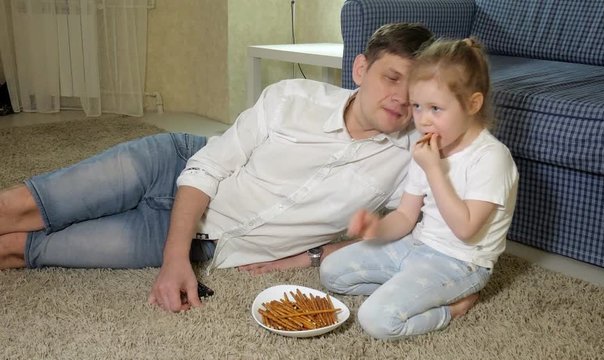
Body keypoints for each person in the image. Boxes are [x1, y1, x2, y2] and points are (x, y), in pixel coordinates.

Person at [0, 23, 435, 313]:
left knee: (23, 249)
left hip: (209, 244)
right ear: (361, 69)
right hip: (169, 163)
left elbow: (424, 241)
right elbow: (207, 167)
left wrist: (313, 255)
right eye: (391, 77)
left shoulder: (412, 160)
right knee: (20, 207)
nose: (400, 97)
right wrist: (173, 261)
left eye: (415, 89)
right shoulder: (292, 97)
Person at [319, 38, 519, 340]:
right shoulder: (428, 145)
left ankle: (452, 308)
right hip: (415, 245)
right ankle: (407, 289)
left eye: (436, 108)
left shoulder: (491, 158)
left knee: (377, 320)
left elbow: (466, 229)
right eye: (417, 106)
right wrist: (376, 229)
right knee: (331, 271)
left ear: (472, 104)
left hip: (460, 263)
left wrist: (435, 170)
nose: (423, 120)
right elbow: (405, 215)